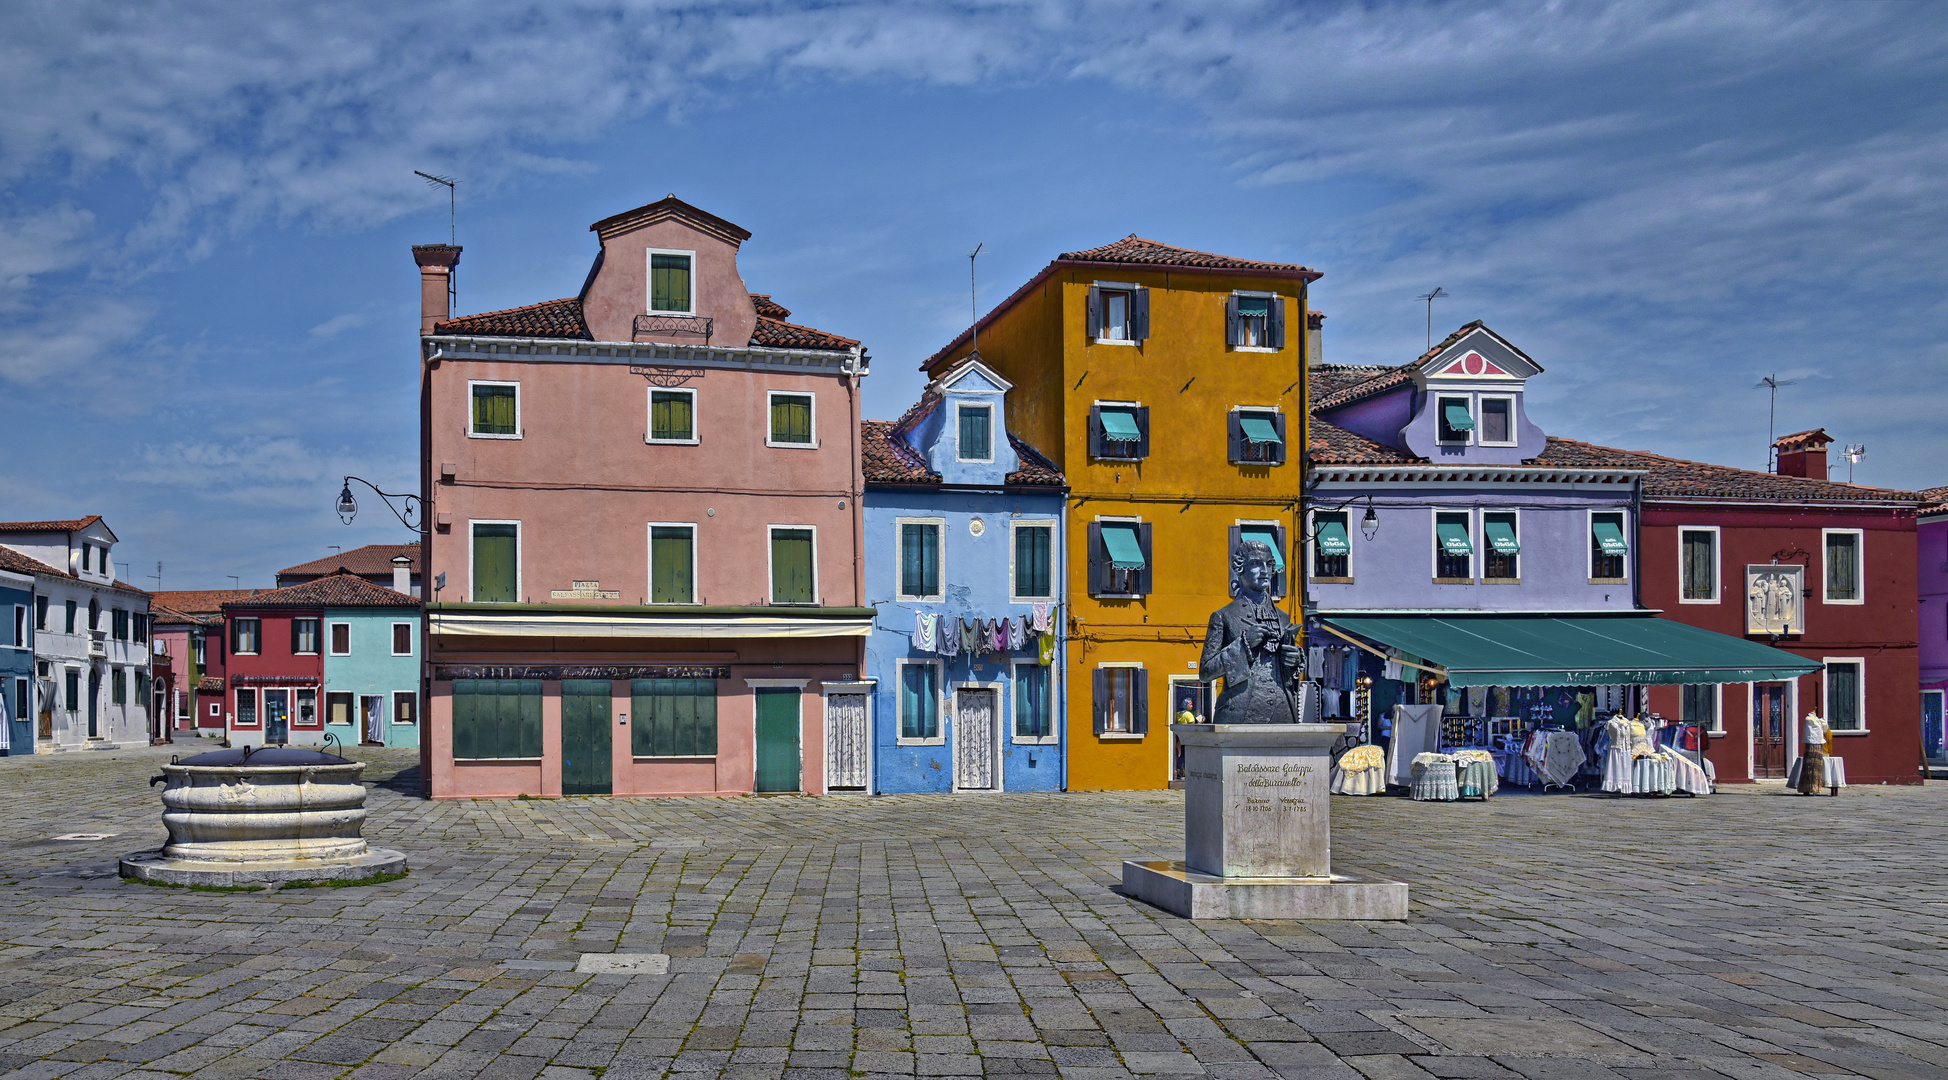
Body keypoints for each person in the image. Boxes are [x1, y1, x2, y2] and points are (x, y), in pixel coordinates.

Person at [1200, 540, 1304, 724]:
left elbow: (1288, 676)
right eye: (1256, 563)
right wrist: (1243, 643)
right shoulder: (1223, 616)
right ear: (1240, 568)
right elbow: (1206, 671)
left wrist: (1293, 661)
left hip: (1283, 714)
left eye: (1268, 564)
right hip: (1240, 713)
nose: (1264, 570)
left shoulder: (1284, 618)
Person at [1798, 710, 1830, 795]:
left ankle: (1815, 787)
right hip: (1811, 744)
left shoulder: (1818, 720)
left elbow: (1826, 729)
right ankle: (1807, 787)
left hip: (1819, 744)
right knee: (1809, 766)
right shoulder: (1809, 719)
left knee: (1817, 767)